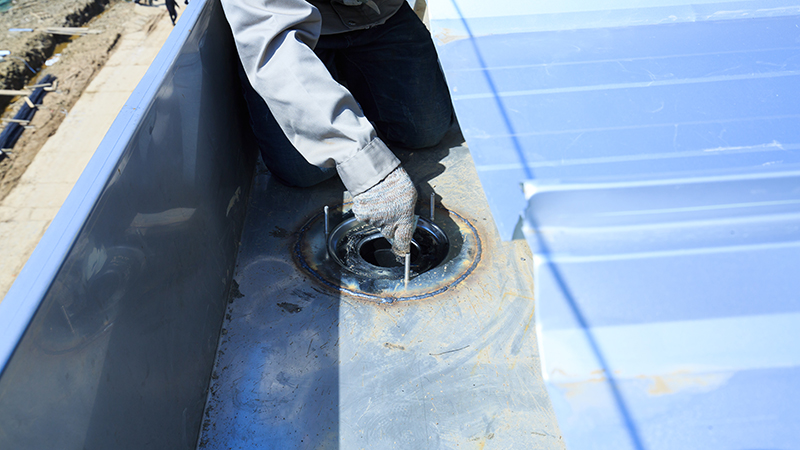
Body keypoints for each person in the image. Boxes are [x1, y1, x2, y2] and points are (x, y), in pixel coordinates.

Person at [220, 0, 453, 257]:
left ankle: (345, 87)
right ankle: (335, 88)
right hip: (285, 29)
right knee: (306, 171)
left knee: (425, 131)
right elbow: (273, 40)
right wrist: (373, 173)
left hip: (378, 14)